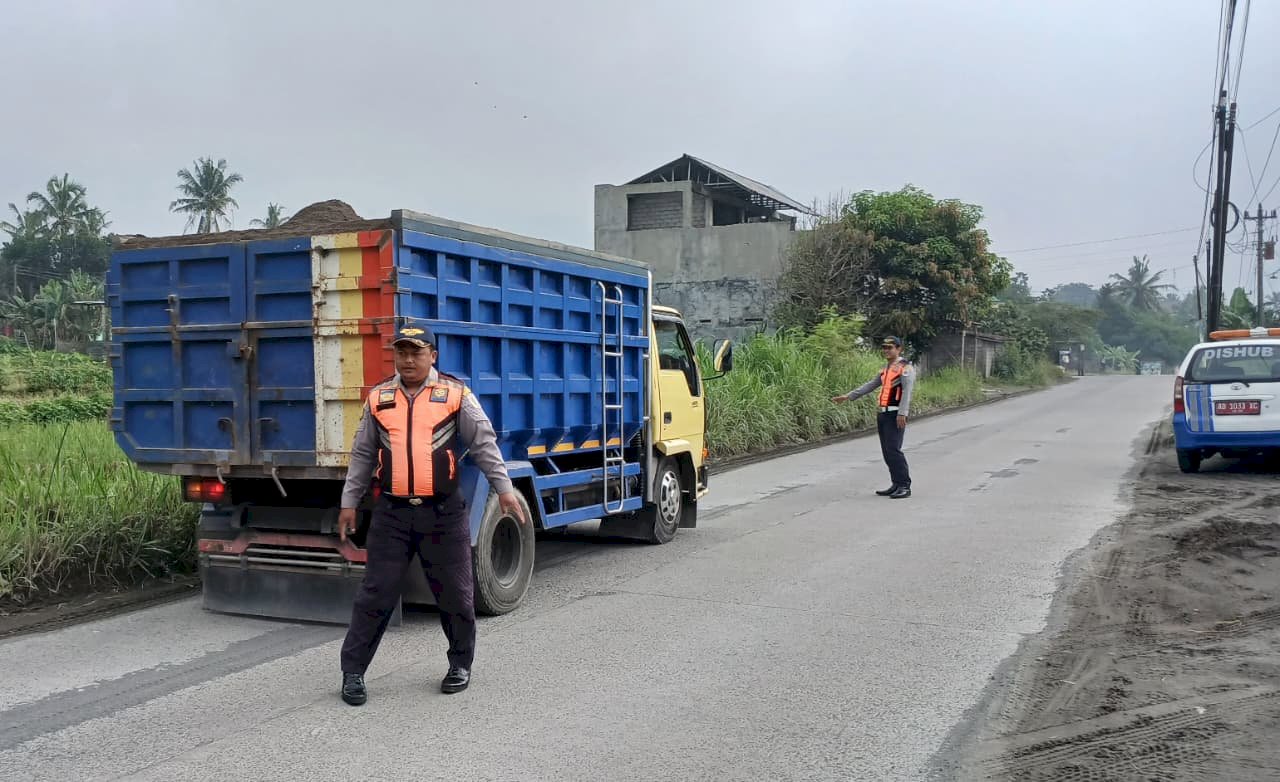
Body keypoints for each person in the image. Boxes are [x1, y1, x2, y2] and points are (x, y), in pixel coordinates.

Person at [336, 325, 526, 706]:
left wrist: (504, 490)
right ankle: (352, 672)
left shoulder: (454, 395)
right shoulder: (380, 397)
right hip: (392, 514)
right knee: (376, 593)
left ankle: (460, 664)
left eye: (416, 352)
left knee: (455, 593)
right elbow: (361, 455)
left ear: (433, 356)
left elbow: (483, 443)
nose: (407, 359)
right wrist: (348, 502)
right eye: (401, 352)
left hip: (443, 514)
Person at [830, 336, 915, 499]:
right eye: (884, 347)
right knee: (886, 451)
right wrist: (848, 396)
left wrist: (902, 413)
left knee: (894, 450)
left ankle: (904, 485)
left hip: (895, 413)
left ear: (899, 349)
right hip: (883, 413)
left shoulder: (905, 368)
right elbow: (870, 385)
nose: (886, 350)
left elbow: (907, 392)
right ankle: (895, 483)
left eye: (890, 347)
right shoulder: (886, 369)